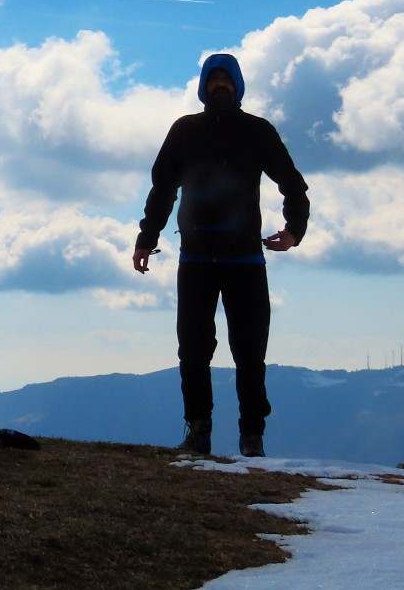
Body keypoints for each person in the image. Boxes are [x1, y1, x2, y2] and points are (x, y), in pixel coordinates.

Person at [132, 52, 309, 459]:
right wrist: (147, 237)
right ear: (203, 87)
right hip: (195, 259)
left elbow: (293, 185)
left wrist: (294, 231)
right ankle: (198, 432)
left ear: (238, 85)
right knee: (192, 352)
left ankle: (252, 436)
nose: (220, 87)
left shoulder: (258, 132)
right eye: (213, 81)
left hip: (245, 259)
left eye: (226, 81)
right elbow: (162, 190)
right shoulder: (184, 131)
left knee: (250, 355)